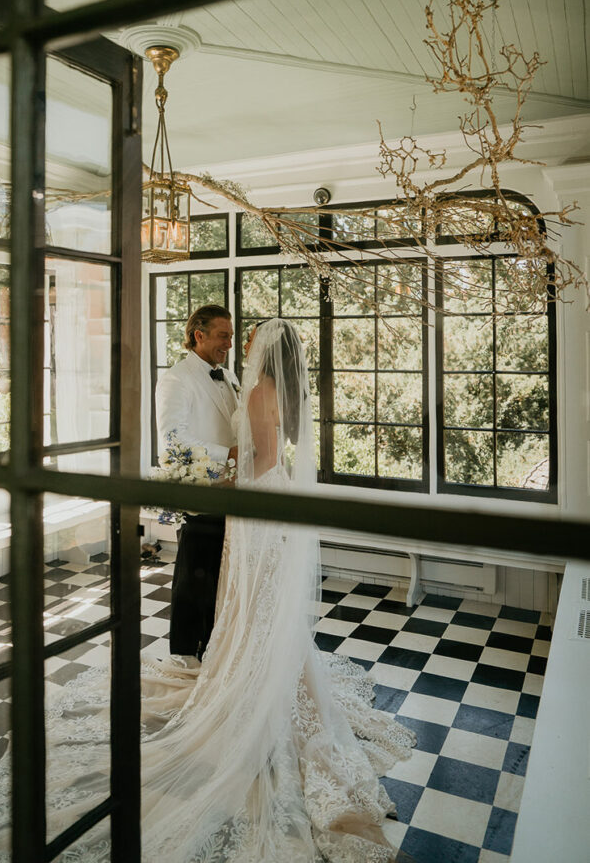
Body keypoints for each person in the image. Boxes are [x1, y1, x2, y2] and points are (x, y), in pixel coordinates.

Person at [141, 318, 415, 863]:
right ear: (197, 335)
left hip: (255, 500)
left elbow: (261, 456)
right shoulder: (242, 384)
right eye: (225, 335)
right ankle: (254, 667)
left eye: (244, 337)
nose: (237, 343)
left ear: (265, 348)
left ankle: (256, 685)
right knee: (252, 600)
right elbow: (213, 442)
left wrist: (229, 480)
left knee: (253, 598)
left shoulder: (259, 387)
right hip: (258, 496)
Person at [155, 304, 239, 659]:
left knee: (219, 580)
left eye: (232, 337)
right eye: (223, 336)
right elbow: (173, 439)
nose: (229, 344)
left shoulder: (229, 376)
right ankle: (184, 656)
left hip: (232, 493)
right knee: (193, 580)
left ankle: (213, 651)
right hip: (203, 491)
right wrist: (228, 456)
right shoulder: (177, 379)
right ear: (198, 335)